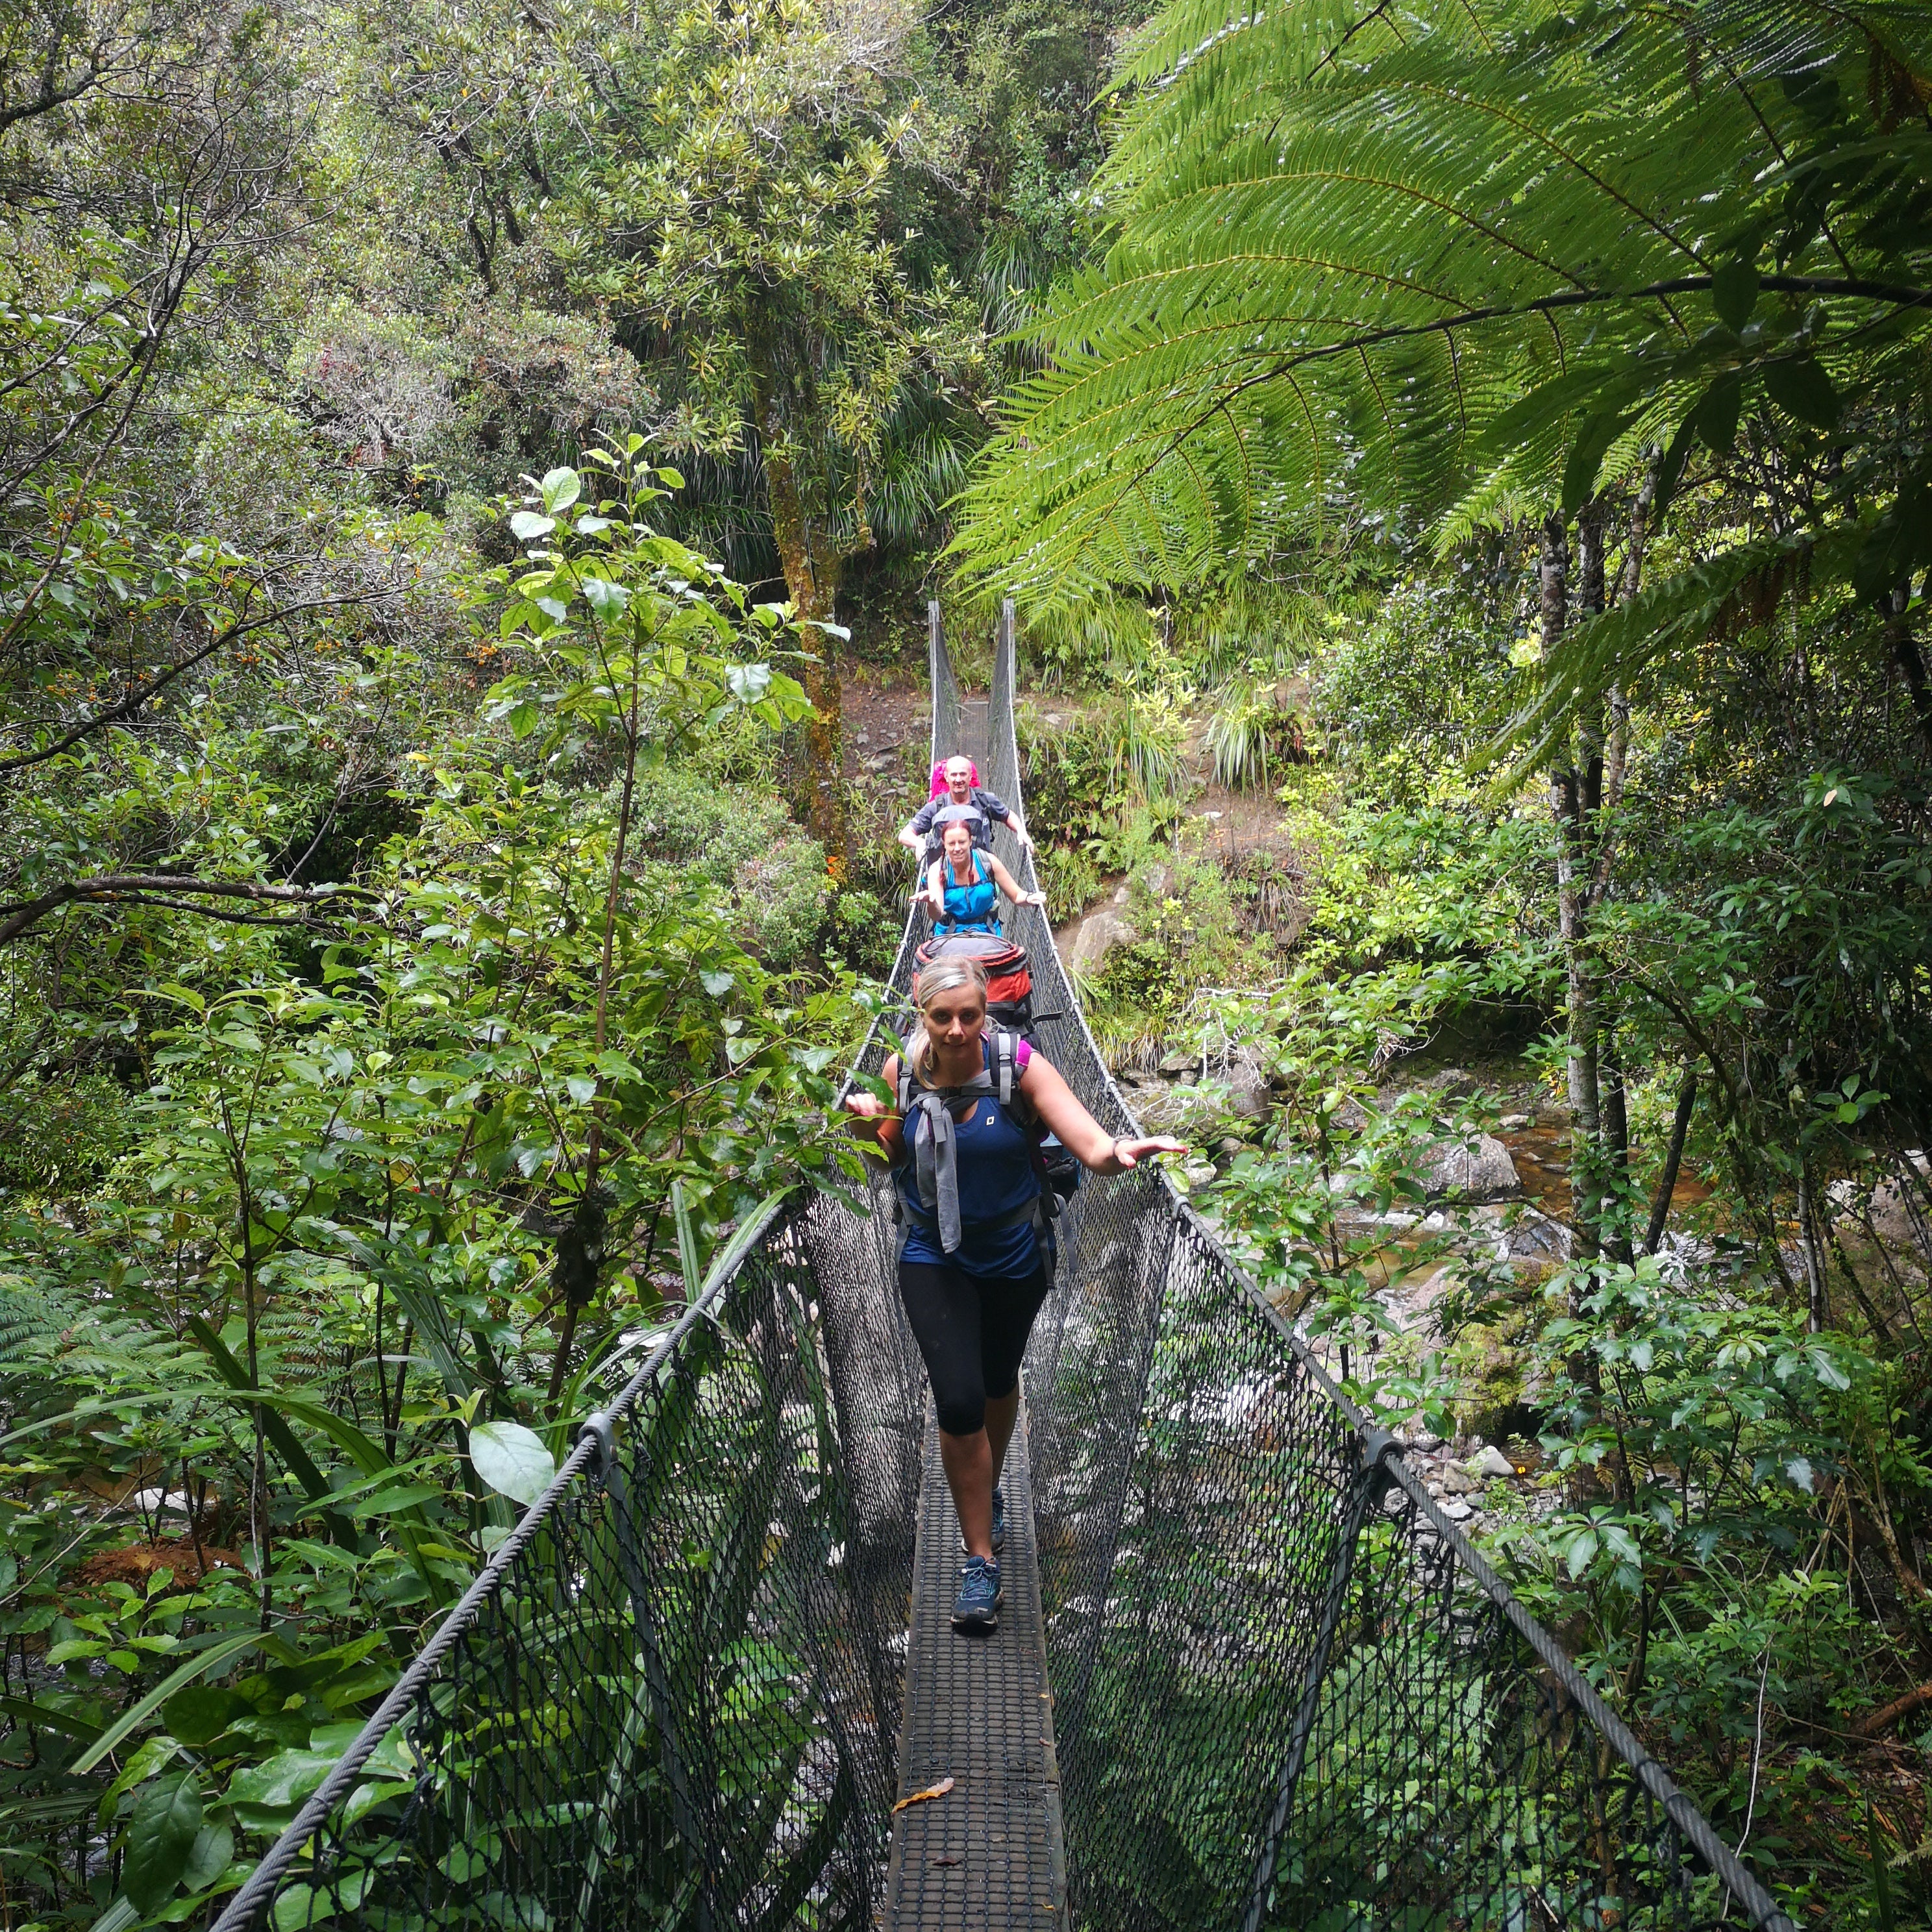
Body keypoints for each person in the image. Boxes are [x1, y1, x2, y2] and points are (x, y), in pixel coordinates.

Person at [843, 956, 1185, 1633]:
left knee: (999, 1381)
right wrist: (862, 1127)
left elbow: (1084, 1140)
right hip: (931, 1255)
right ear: (922, 1015)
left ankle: (990, 1487)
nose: (957, 1029)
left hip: (1014, 1253)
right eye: (943, 1017)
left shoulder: (1016, 1064)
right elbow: (885, 1158)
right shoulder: (900, 1072)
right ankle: (979, 1561)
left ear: (986, 1010)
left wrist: (1120, 1152)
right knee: (961, 1398)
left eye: (970, 1014)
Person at [898, 754, 1032, 863]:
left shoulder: (984, 800)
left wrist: (1021, 831)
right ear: (946, 777)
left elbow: (1007, 815)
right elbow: (905, 835)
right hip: (946, 876)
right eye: (954, 775)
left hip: (982, 870)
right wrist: (920, 843)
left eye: (963, 774)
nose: (958, 779)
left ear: (970, 776)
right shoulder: (937, 807)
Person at [922, 819, 1044, 935]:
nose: (957, 848)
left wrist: (1029, 898)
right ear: (944, 844)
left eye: (962, 842)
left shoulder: (987, 862)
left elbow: (1017, 896)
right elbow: (937, 915)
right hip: (949, 936)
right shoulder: (937, 870)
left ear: (970, 841)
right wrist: (931, 902)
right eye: (952, 844)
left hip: (987, 934)